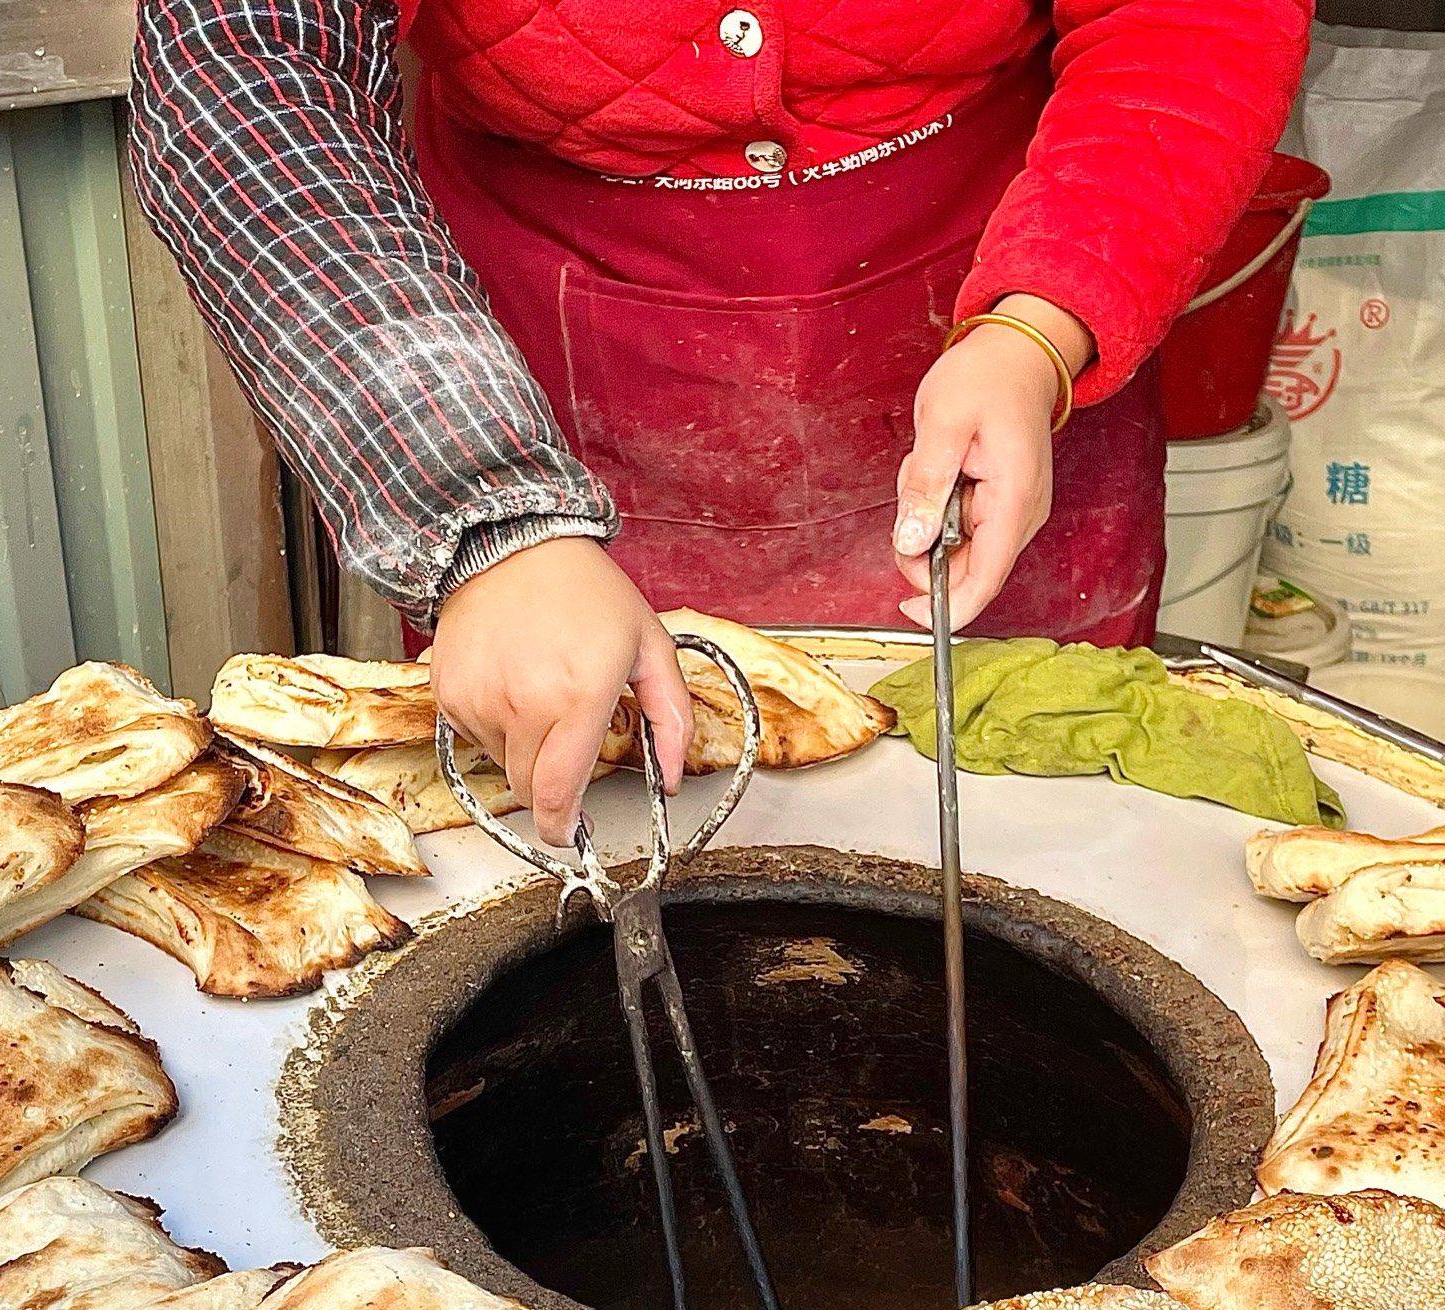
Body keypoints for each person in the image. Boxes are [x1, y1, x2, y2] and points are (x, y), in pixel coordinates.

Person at [129, 0, 1310, 843]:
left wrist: (1039, 329)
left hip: (1001, 315)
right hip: (546, 377)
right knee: (577, 891)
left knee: (1053, 875)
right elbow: (245, 64)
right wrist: (482, 508)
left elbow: (1189, 19)